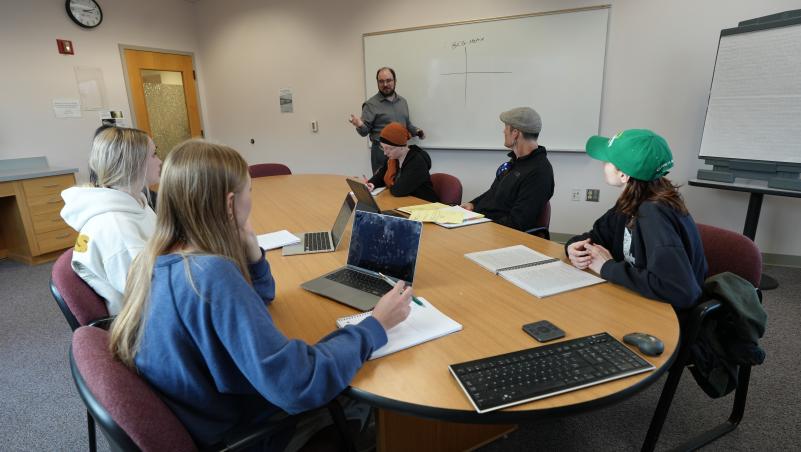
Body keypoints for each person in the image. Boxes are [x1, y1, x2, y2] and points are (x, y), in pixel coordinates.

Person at [109, 140, 412, 451]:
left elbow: (257, 300)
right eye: (249, 191)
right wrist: (375, 325)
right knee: (370, 401)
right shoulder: (211, 276)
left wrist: (252, 254)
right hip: (244, 433)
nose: (250, 198)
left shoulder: (155, 259)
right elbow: (299, 383)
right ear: (230, 204)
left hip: (203, 411)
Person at [565, 129, 708, 309]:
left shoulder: (654, 214)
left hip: (668, 318)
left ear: (624, 175)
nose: (603, 164)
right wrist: (573, 248)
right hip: (638, 301)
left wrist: (607, 268)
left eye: (608, 161)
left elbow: (680, 290)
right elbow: (596, 236)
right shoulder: (632, 200)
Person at [60, 127, 161, 315]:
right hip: (143, 325)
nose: (160, 162)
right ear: (134, 164)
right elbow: (149, 297)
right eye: (154, 155)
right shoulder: (115, 228)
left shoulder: (136, 203)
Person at [461, 107, 554, 232]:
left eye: (506, 127)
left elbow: (517, 223)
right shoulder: (516, 161)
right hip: (485, 226)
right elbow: (494, 192)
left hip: (501, 236)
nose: (503, 131)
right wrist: (473, 204)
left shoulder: (539, 172)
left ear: (515, 133)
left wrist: (481, 225)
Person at [349, 67, 425, 173]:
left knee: (401, 185)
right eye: (381, 81)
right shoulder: (371, 104)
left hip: (402, 153)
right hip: (381, 153)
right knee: (382, 186)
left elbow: (406, 124)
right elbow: (364, 132)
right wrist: (360, 125)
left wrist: (417, 131)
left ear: (395, 81)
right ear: (377, 83)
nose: (385, 84)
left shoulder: (403, 102)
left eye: (388, 80)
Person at [365, 122, 438, 202]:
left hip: (425, 205)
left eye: (389, 148)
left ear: (401, 146)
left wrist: (388, 185)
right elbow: (381, 175)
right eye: (383, 148)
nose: (385, 153)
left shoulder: (416, 162)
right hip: (405, 203)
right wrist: (372, 184)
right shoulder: (393, 158)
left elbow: (398, 190)